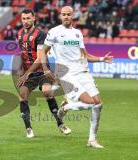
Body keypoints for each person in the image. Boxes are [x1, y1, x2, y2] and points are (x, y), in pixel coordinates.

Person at [39, 6, 113, 148]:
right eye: (63, 14)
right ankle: (67, 106)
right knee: (89, 103)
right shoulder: (54, 32)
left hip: (82, 71)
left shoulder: (78, 33)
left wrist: (102, 59)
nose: (66, 16)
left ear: (73, 16)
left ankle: (92, 140)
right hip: (66, 74)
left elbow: (85, 55)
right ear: (60, 16)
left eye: (68, 14)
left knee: (98, 104)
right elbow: (43, 52)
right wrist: (45, 69)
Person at [16, 9, 71, 138]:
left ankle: (60, 124)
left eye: (28, 18)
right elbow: (22, 53)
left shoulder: (40, 34)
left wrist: (27, 73)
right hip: (28, 73)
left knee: (47, 91)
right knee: (22, 95)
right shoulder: (19, 34)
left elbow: (40, 57)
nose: (25, 21)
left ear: (34, 18)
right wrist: (20, 69)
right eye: (23, 18)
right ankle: (28, 128)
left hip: (41, 71)